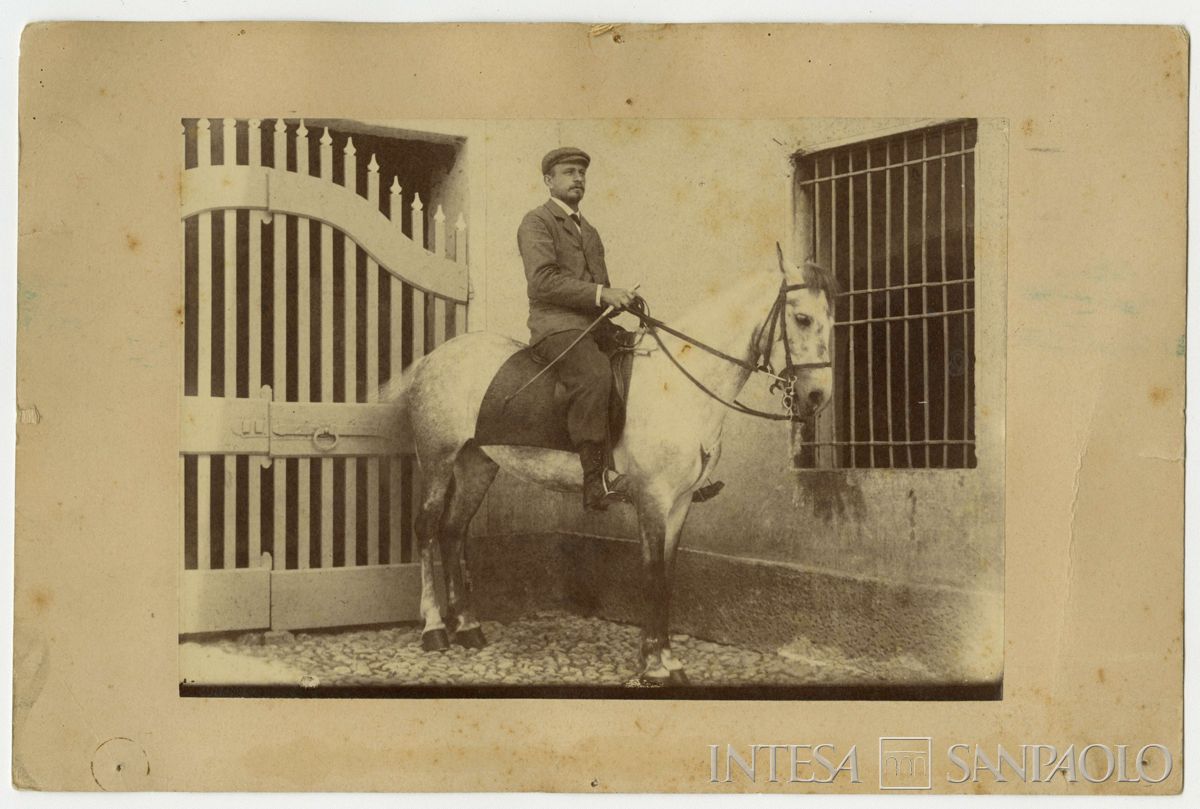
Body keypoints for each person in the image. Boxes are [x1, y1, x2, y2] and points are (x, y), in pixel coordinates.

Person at [517, 147, 640, 511]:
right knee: (594, 374)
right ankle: (594, 480)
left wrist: (621, 301)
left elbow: (598, 290)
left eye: (582, 173)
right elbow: (542, 282)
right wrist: (604, 293)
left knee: (642, 360)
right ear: (549, 181)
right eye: (569, 172)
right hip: (555, 327)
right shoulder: (536, 222)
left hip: (592, 327)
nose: (578, 179)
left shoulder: (590, 231)